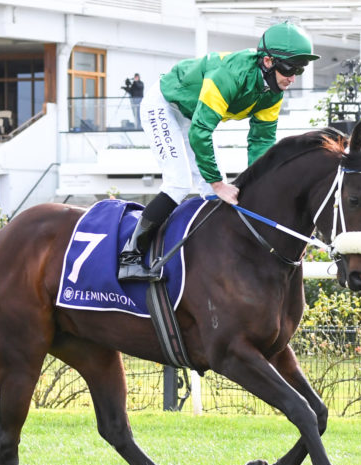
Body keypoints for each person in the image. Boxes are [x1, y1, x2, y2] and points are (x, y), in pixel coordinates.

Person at [118, 21, 319, 281]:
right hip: (165, 105)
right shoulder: (229, 75)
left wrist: (261, 186)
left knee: (213, 194)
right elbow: (200, 131)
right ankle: (129, 258)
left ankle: (207, 257)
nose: (292, 78)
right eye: (289, 68)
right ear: (268, 61)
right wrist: (217, 182)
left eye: (299, 70)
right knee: (180, 184)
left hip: (193, 115)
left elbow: (261, 141)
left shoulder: (274, 91)